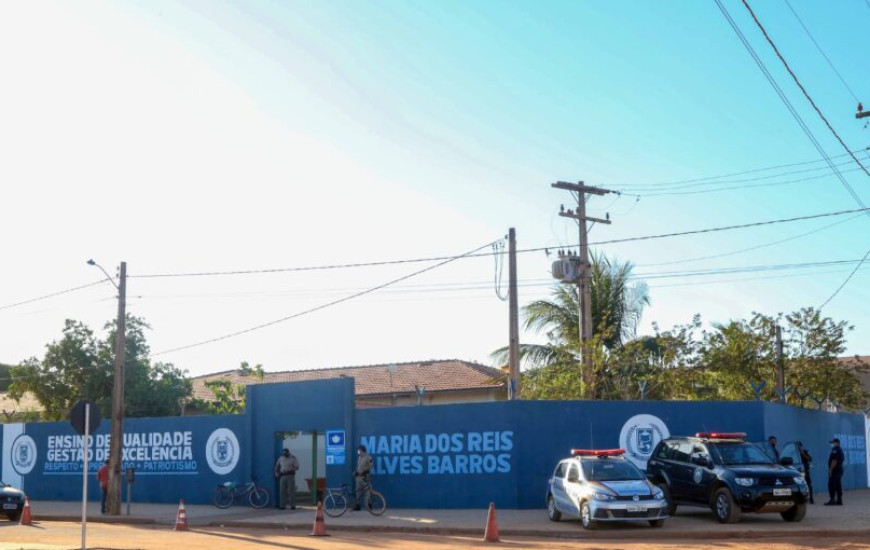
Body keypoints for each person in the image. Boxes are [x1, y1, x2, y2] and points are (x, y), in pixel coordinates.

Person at [353, 444, 374, 511]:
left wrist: (364, 470)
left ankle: (368, 505)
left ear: (362, 450)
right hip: (358, 477)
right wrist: (355, 471)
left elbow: (371, 465)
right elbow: (358, 466)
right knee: (358, 491)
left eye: (359, 450)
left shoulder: (368, 457)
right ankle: (358, 505)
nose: (358, 452)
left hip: (365, 477)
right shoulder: (359, 458)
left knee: (367, 491)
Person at [825, 438, 844, 506]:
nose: (832, 444)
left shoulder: (835, 450)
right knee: (838, 485)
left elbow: (834, 460)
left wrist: (830, 470)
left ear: (837, 443)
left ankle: (832, 500)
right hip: (839, 470)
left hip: (835, 470)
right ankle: (839, 500)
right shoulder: (840, 450)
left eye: (833, 443)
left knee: (831, 484)